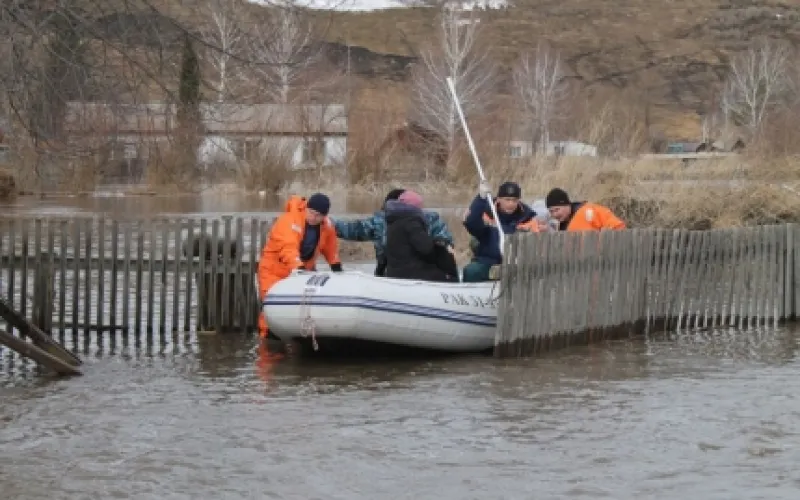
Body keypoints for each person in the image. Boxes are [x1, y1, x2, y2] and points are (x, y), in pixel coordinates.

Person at [257, 193, 343, 339]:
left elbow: (330, 248)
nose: (313, 217)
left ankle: (295, 340)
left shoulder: (327, 227)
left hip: (300, 273)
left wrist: (335, 265)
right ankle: (267, 343)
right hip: (274, 270)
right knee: (271, 310)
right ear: (306, 209)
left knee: (298, 309)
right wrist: (298, 267)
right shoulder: (290, 220)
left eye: (318, 215)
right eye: (311, 212)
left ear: (324, 216)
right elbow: (288, 247)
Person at [333, 188, 454, 276]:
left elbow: (350, 229)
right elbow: (446, 245)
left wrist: (326, 222)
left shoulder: (380, 222)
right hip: (413, 274)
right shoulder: (431, 219)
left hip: (396, 274)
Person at [462, 181, 541, 282]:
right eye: (507, 200)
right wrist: (481, 198)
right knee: (472, 271)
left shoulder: (527, 217)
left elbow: (535, 244)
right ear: (499, 199)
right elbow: (472, 224)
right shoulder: (486, 213)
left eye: (514, 200)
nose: (511, 204)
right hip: (488, 261)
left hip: (518, 265)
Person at [384, 190, 458, 282]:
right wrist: (439, 245)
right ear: (414, 206)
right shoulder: (411, 223)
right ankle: (454, 286)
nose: (422, 209)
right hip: (411, 273)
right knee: (445, 259)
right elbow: (426, 248)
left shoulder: (393, 222)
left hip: (394, 273)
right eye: (420, 206)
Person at [545, 188, 626, 231]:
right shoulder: (561, 225)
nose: (554, 214)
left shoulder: (590, 211)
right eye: (551, 211)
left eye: (557, 210)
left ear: (566, 204)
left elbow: (618, 227)